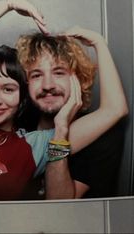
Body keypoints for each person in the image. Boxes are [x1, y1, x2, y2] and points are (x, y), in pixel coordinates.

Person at [0, 0, 128, 200]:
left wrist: (98, 43)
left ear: (22, 95)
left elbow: (115, 110)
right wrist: (8, 4)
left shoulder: (36, 145)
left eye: (8, 89)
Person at [15, 27, 128, 198]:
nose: (48, 85)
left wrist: (61, 131)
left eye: (59, 73)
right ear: (26, 83)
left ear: (78, 79)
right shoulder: (18, 123)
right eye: (36, 75)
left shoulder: (102, 136)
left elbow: (60, 206)